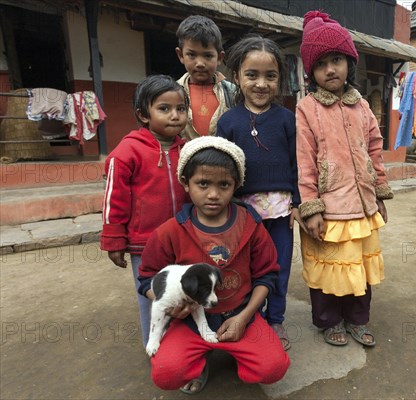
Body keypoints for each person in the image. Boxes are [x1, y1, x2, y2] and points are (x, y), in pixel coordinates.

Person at [137, 136, 290, 394]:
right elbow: (146, 279)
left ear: (236, 185)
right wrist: (172, 307)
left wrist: (243, 318)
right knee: (166, 374)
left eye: (224, 185)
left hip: (240, 316)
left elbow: (267, 276)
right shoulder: (170, 231)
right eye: (203, 183)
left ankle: (234, 352)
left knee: (273, 367)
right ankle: (200, 357)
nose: (213, 194)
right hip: (188, 323)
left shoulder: (251, 225)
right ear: (186, 183)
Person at [295, 11, 394, 347]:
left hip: (363, 206)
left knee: (359, 270)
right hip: (329, 208)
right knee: (329, 269)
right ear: (311, 72)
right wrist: (311, 208)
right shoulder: (306, 109)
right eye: (321, 64)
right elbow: (304, 161)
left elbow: (375, 150)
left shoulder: (362, 105)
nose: (330, 69)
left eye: (336, 59)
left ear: (350, 62)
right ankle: (328, 321)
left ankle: (356, 319)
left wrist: (378, 192)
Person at [216, 34, 304, 351]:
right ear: (237, 76)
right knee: (246, 267)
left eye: (270, 76)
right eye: (252, 75)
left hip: (280, 210)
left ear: (280, 78)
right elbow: (221, 169)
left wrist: (297, 202)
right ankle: (248, 317)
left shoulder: (287, 120)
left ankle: (275, 320)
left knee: (278, 265)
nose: (261, 84)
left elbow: (298, 164)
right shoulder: (228, 122)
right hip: (242, 212)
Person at [100, 75, 190, 347]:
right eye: (164, 109)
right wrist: (114, 240)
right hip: (144, 244)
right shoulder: (126, 152)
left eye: (181, 109)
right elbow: (113, 200)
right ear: (143, 114)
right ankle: (155, 347)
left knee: (184, 294)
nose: (175, 116)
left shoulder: (188, 150)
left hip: (183, 239)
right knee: (152, 297)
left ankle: (184, 348)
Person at [175, 15, 236, 138]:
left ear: (219, 58)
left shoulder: (231, 92)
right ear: (181, 55)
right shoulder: (173, 92)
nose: (200, 64)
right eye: (191, 55)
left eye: (208, 56)